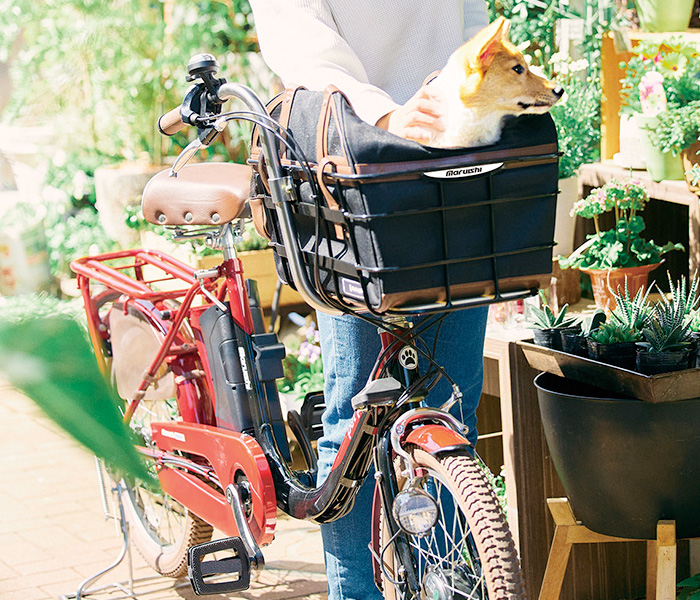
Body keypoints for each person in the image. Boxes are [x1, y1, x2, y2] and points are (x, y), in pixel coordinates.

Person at [248, 2, 490, 599]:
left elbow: (472, 34)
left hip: (451, 168)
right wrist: (387, 114)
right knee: (356, 416)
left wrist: (448, 94)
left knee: (451, 416)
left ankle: (448, 585)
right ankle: (354, 590)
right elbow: (305, 52)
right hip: (353, 179)